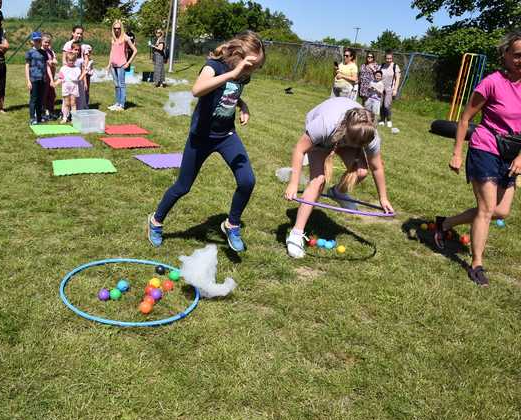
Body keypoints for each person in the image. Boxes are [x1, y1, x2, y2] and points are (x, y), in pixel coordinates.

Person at [147, 31, 266, 252]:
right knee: (183, 186)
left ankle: (232, 224)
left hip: (226, 135)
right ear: (238, 53)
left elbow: (229, 93)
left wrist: (243, 105)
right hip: (201, 137)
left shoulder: (243, 75)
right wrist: (233, 74)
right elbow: (198, 89)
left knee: (247, 180)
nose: (251, 71)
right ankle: (156, 220)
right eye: (251, 65)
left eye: (255, 67)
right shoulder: (214, 66)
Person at [432, 31, 521, 287]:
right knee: (486, 208)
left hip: (511, 153)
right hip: (485, 146)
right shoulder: (491, 82)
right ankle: (477, 264)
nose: (520, 60)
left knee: (501, 211)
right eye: (516, 55)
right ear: (504, 55)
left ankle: (445, 223)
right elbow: (464, 119)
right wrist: (457, 152)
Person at [284, 97, 394, 258]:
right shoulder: (324, 125)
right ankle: (296, 234)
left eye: (361, 145)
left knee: (362, 171)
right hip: (325, 139)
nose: (358, 148)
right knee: (318, 180)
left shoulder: (369, 134)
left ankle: (338, 192)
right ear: (346, 131)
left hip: (347, 135)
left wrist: (383, 198)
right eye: (355, 143)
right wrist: (293, 184)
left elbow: (377, 167)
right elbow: (299, 150)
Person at [106, 20, 137, 111]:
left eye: (118, 28)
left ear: (121, 28)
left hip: (121, 65)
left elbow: (135, 50)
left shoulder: (125, 37)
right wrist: (109, 64)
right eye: (115, 28)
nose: (117, 30)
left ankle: (122, 105)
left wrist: (128, 63)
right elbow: (112, 51)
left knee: (121, 84)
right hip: (113, 65)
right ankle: (117, 103)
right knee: (116, 85)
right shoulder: (113, 38)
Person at [25, 31, 52, 125]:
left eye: (39, 40)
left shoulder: (44, 53)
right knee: (34, 99)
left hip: (43, 79)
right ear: (32, 41)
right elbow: (27, 66)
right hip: (34, 79)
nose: (37, 42)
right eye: (35, 40)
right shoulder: (30, 52)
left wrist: (50, 79)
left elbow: (47, 66)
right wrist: (28, 81)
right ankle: (32, 118)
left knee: (40, 99)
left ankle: (40, 117)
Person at [379, 50, 401, 127]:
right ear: (385, 58)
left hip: (390, 89)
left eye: (390, 58)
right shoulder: (381, 66)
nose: (388, 60)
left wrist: (395, 89)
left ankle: (388, 119)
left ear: (392, 58)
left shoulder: (395, 66)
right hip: (381, 89)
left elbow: (397, 79)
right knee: (381, 105)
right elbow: (378, 75)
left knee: (386, 105)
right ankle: (382, 119)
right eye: (387, 58)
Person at [42, 33, 58, 120]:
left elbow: (55, 61)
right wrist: (50, 62)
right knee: (44, 94)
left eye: (49, 42)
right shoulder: (41, 51)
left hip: (51, 76)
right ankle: (43, 111)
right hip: (44, 77)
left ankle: (51, 110)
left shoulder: (51, 51)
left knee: (52, 94)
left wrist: (53, 61)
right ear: (41, 42)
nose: (47, 44)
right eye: (45, 42)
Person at [77, 44, 93, 110]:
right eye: (87, 52)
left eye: (90, 52)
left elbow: (90, 71)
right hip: (83, 75)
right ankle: (81, 104)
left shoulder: (90, 61)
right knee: (82, 90)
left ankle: (86, 104)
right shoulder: (82, 61)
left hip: (87, 75)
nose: (88, 54)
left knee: (86, 90)